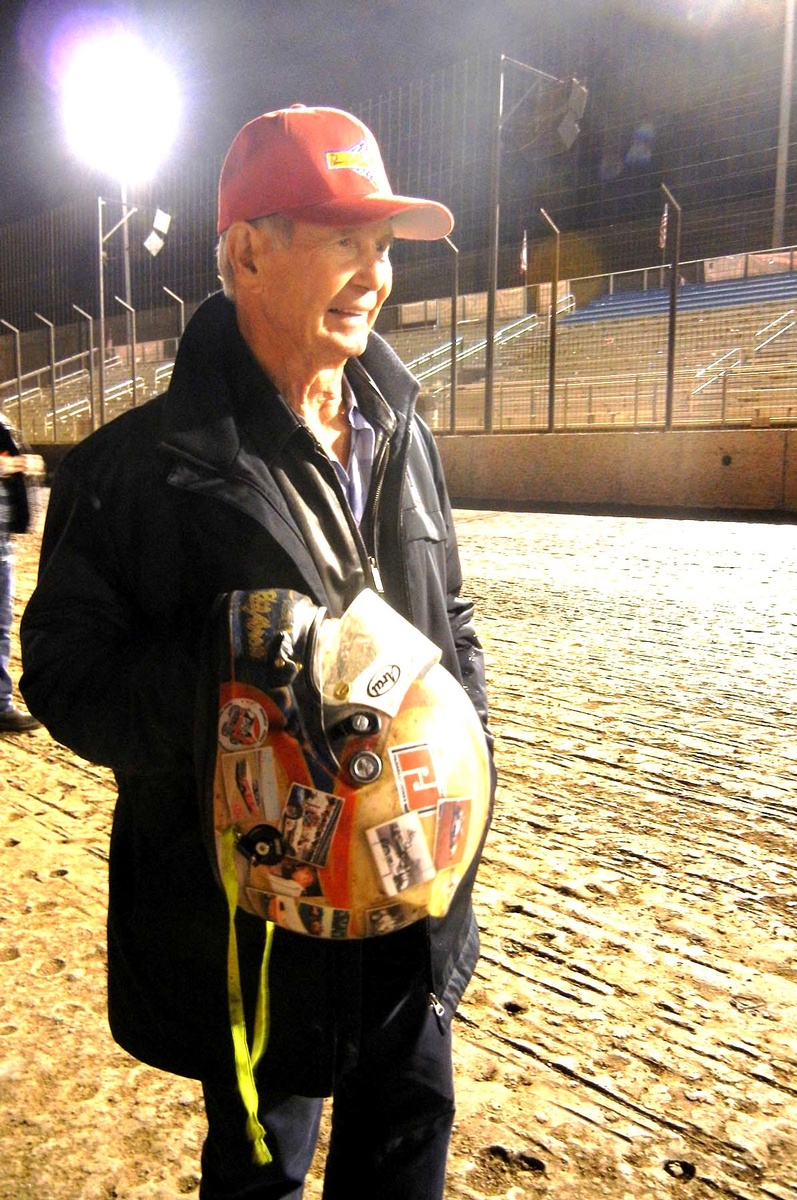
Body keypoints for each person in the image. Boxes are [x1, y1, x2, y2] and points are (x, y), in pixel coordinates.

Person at [20, 104, 493, 1199]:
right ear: (245, 251)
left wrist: (462, 747)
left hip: (409, 907)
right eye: (342, 239)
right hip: (255, 928)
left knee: (403, 1148)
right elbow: (65, 677)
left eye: (381, 247)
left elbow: (453, 615)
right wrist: (229, 683)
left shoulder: (402, 430)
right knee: (261, 1170)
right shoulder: (133, 471)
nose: (372, 274)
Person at [0, 417, 42, 732]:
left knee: (1, 628)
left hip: (2, 543)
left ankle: (1, 705)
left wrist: (25, 465)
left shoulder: (3, 423)